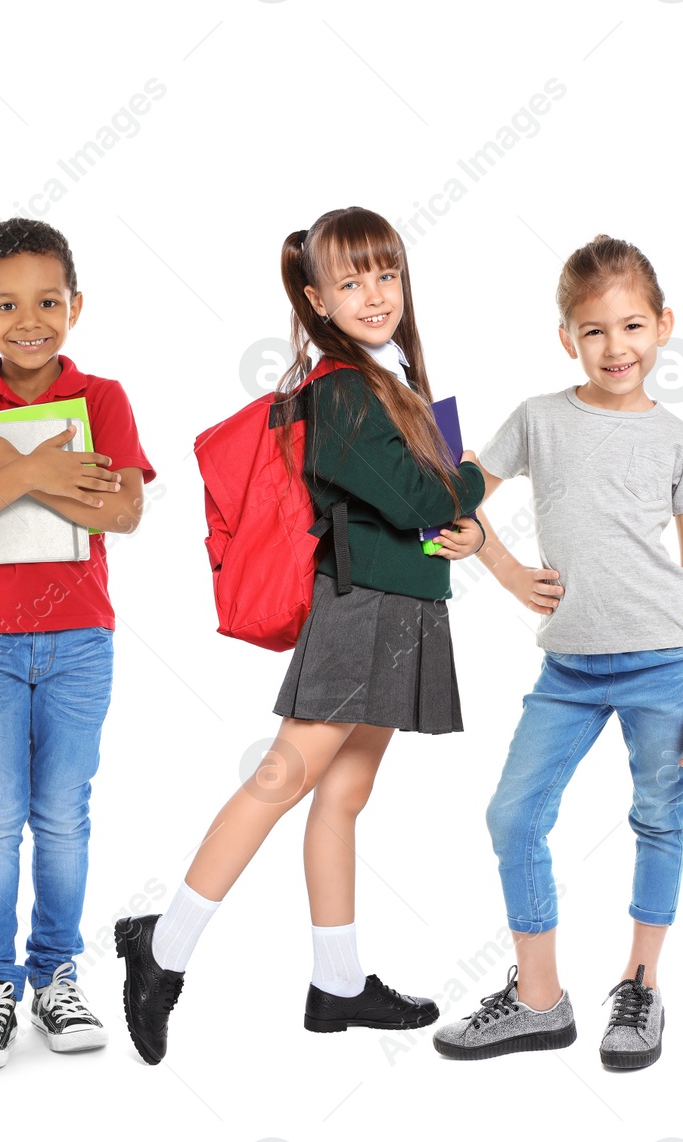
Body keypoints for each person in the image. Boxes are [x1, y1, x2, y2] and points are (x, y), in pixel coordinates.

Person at [115, 207, 487, 1065]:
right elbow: (421, 500)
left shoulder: (399, 381)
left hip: (405, 609)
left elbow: (437, 518)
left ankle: (338, 983)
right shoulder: (344, 390)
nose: (373, 294)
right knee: (282, 777)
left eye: (385, 274)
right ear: (317, 300)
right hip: (360, 611)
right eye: (350, 281)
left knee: (345, 795)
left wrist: (458, 519)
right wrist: (469, 481)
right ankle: (160, 948)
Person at [431, 234, 683, 1069]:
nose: (616, 347)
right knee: (513, 816)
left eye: (632, 326)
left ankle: (640, 988)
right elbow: (453, 499)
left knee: (658, 818)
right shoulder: (538, 418)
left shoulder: (679, 441)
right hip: (568, 670)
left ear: (663, 325)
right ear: (567, 338)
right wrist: (507, 566)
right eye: (593, 331)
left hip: (666, 662)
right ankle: (538, 999)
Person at [0, 218, 154, 1069]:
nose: (30, 319)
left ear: (75, 305)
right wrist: (40, 471)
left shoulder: (104, 400)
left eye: (48, 301)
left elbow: (122, 511)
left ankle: (56, 975)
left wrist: (9, 476)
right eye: (6, 304)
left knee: (62, 816)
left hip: (81, 638)